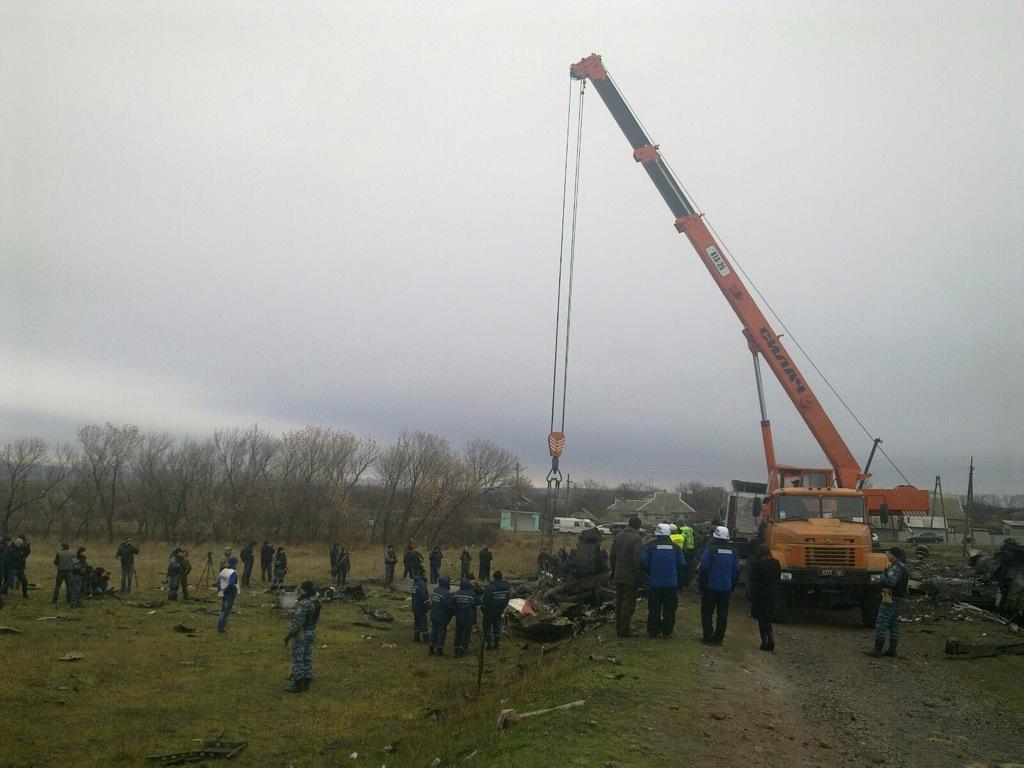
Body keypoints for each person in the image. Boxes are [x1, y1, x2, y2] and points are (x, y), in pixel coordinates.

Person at [641, 523, 687, 638]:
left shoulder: (650, 546)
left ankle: (653, 631)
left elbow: (644, 562)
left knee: (654, 608)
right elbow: (682, 563)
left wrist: (651, 572)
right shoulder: (675, 547)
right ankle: (667, 631)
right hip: (671, 583)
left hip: (655, 583)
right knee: (669, 609)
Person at [699, 525, 740, 645]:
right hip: (726, 588)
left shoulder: (710, 550)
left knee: (707, 613)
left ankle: (708, 637)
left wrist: (702, 585)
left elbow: (704, 568)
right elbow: (736, 571)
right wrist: (731, 586)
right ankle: (718, 639)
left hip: (711, 587)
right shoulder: (733, 551)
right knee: (722, 614)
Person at [867, 547, 909, 658]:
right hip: (898, 597)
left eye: (889, 555)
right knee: (893, 623)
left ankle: (878, 649)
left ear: (895, 556)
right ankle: (892, 649)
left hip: (890, 597)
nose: (888, 557)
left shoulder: (895, 568)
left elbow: (891, 582)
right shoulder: (903, 567)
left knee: (881, 622)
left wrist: (881, 577)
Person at [610, 517, 644, 638]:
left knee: (619, 601)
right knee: (628, 604)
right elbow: (637, 560)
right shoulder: (637, 538)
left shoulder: (618, 535)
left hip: (618, 575)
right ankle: (624, 630)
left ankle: (619, 627)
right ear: (638, 526)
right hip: (630, 577)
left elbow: (612, 556)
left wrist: (614, 571)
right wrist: (639, 576)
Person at [284, 581, 321, 692]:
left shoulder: (304, 603)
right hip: (312, 631)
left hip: (302, 633)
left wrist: (289, 635)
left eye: (302, 589)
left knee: (298, 658)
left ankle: (297, 683)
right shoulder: (316, 602)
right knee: (308, 657)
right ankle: (306, 681)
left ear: (305, 590)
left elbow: (298, 623)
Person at [749, 544, 781, 651]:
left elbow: (753, 578)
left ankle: (764, 641)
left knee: (761, 618)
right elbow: (778, 576)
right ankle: (771, 638)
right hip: (771, 592)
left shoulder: (757, 564)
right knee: (768, 617)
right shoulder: (776, 563)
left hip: (760, 593)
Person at [482, 571, 510, 650]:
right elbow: (507, 599)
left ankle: (489, 643)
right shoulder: (506, 587)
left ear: (494, 577)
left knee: (487, 627)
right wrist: (502, 607)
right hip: (499, 611)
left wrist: (484, 608)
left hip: (489, 611)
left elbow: (486, 599)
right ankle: (497, 643)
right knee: (497, 627)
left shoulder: (490, 587)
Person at [428, 575, 454, 656]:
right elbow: (449, 606)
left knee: (434, 631)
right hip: (442, 617)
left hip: (434, 615)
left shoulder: (436, 590)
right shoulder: (446, 593)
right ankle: (439, 650)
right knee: (441, 633)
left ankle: (431, 648)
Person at [452, 578, 479, 658]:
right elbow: (476, 602)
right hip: (468, 616)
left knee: (458, 631)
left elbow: (452, 604)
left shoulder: (456, 594)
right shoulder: (472, 594)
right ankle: (462, 648)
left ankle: (456, 647)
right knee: (466, 632)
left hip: (459, 616)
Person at [217, 556, 239, 633]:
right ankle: (221, 629)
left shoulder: (223, 571)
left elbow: (219, 582)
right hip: (230, 594)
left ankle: (219, 626)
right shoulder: (233, 573)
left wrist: (220, 591)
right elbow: (231, 584)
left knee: (222, 610)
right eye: (236, 564)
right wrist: (226, 592)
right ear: (234, 564)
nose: (236, 566)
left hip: (223, 593)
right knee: (226, 612)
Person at [411, 572, 430, 643]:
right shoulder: (421, 584)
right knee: (424, 622)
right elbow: (424, 596)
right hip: (421, 607)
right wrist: (428, 605)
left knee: (416, 622)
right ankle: (426, 639)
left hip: (415, 606)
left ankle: (416, 636)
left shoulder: (414, 584)